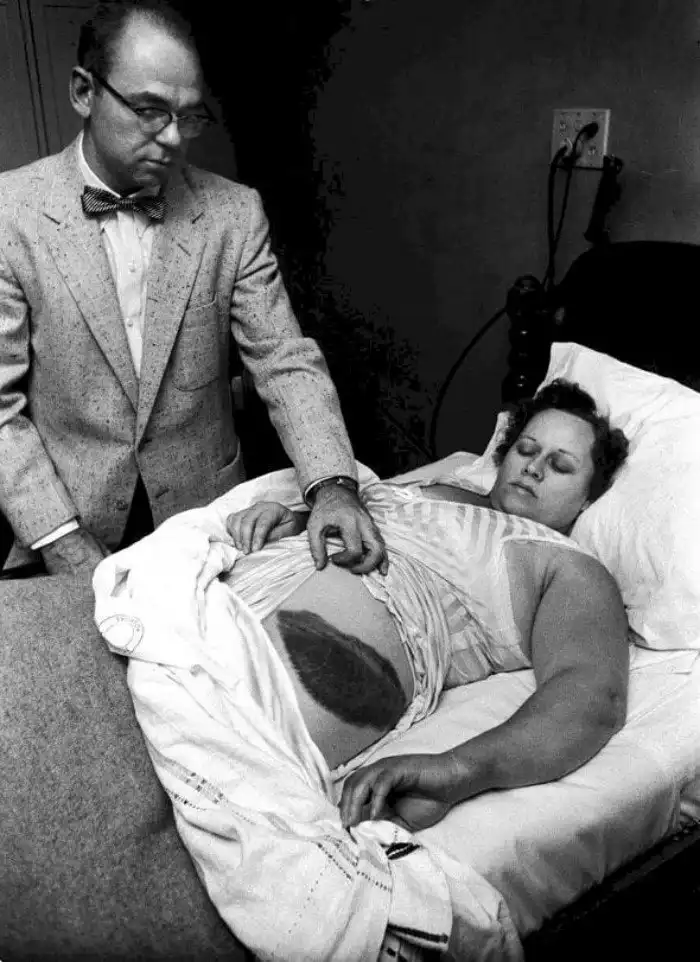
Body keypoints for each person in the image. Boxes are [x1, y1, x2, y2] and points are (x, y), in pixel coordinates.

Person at [0, 0, 386, 578]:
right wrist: (60, 540)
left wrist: (332, 485)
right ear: (84, 91)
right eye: (150, 111)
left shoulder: (234, 213)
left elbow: (283, 359)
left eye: (189, 116)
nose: (174, 138)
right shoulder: (9, 213)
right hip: (63, 524)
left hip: (210, 523)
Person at [225, 378, 631, 831]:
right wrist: (297, 521)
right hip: (227, 596)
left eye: (560, 465)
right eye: (526, 449)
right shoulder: (437, 485)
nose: (533, 468)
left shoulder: (568, 566)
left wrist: (456, 771)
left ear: (590, 496)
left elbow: (591, 697)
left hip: (297, 673)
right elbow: (354, 521)